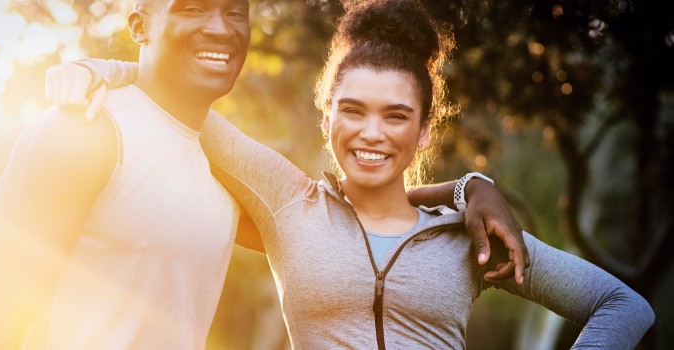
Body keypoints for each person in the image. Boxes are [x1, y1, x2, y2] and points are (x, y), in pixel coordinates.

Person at [50, 0, 655, 349]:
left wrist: (469, 189)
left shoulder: (469, 237)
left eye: (397, 115)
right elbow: (178, 96)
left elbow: (623, 307)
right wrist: (98, 67)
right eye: (353, 110)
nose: (372, 132)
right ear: (327, 119)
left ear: (422, 131)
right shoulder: (287, 202)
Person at [0, 0, 529, 349]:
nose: (220, 27)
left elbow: (351, 215)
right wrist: (107, 70)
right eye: (192, 7)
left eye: (236, 10)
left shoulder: (224, 169)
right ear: (139, 23)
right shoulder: (83, 130)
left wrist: (469, 187)